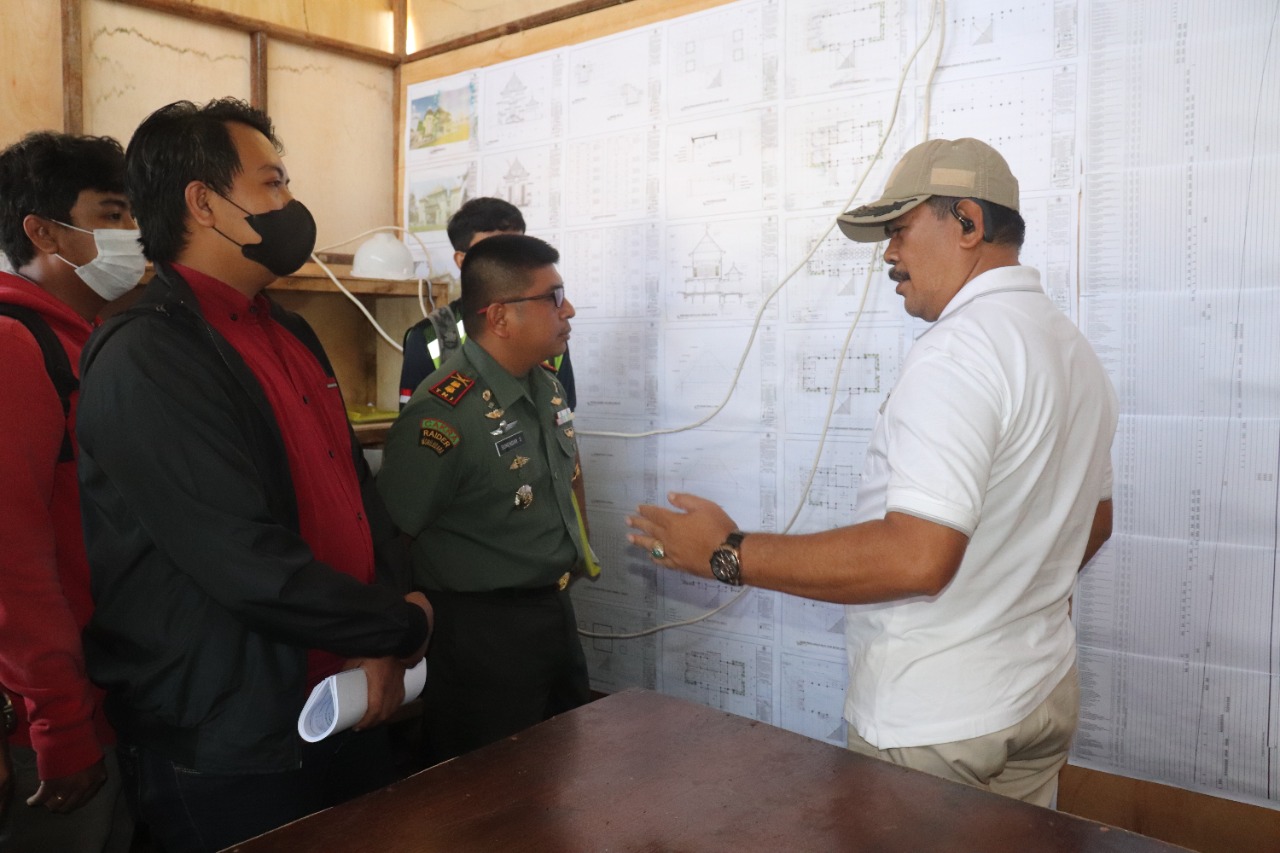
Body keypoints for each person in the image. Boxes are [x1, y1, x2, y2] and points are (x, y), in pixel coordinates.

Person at [628, 138, 1118, 808]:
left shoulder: (958, 352)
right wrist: (1007, 591)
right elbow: (1095, 521)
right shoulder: (1071, 348)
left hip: (936, 717)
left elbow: (917, 557)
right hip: (1039, 693)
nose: (889, 254)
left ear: (968, 223)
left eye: (900, 230)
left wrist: (727, 552)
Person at [75, 99, 433, 853]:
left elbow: (357, 496)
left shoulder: (290, 330)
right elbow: (241, 557)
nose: (291, 202)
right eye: (272, 183)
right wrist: (399, 627)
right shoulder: (146, 354)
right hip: (233, 735)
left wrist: (384, 627)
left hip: (348, 690)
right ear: (205, 204)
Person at [378, 233, 592, 765]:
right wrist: (394, 642)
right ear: (499, 317)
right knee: (486, 787)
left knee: (562, 771)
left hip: (551, 613)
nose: (568, 309)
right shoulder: (445, 412)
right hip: (478, 633)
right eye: (553, 297)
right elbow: (390, 535)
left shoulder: (546, 387)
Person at [0, 131, 140, 853]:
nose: (134, 234)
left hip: (109, 692)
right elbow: (13, 566)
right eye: (112, 214)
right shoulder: (15, 345)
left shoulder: (89, 341)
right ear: (44, 232)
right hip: (54, 721)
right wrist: (59, 723)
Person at [398, 197, 576, 410]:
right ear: (462, 261)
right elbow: (417, 421)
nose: (511, 262)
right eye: (494, 252)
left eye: (518, 250)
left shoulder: (548, 329)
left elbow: (563, 415)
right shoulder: (429, 336)